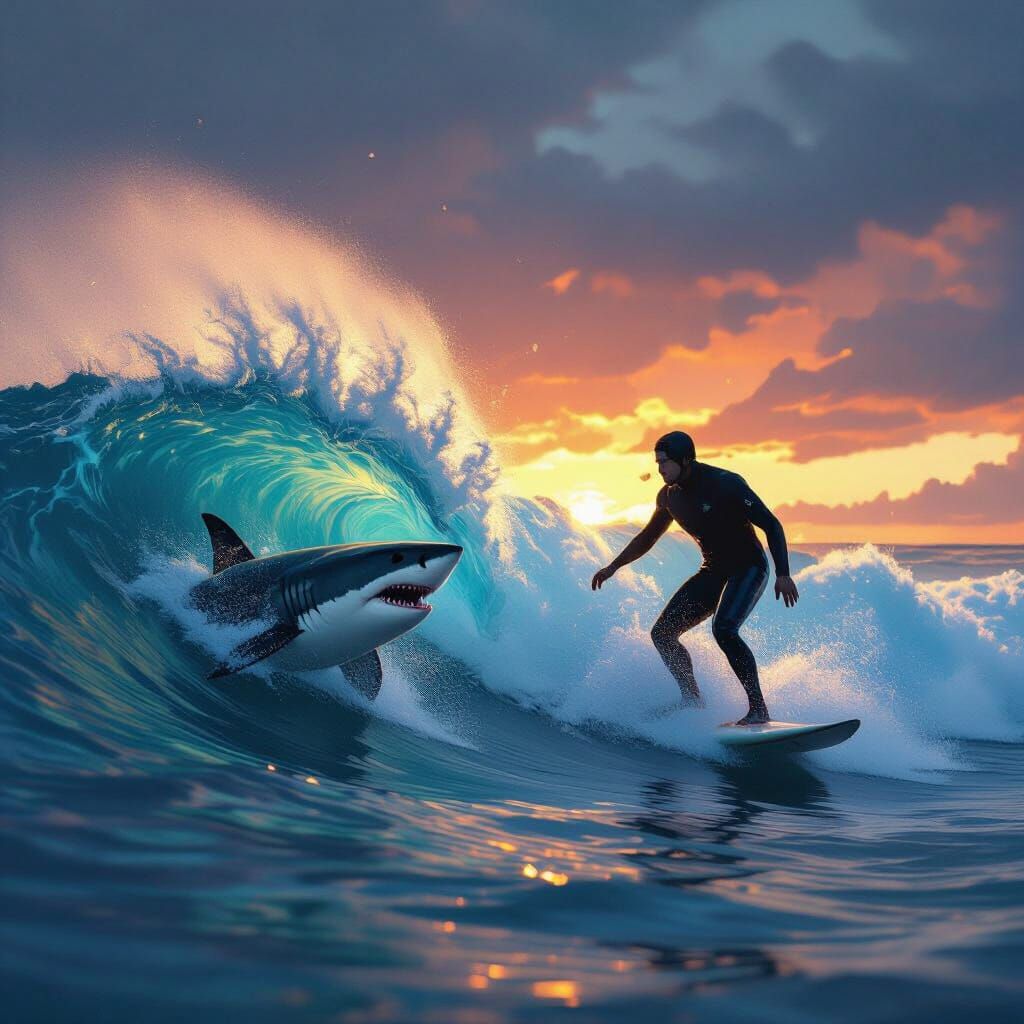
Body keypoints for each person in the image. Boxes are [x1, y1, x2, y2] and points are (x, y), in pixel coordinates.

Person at [591, 431, 798, 725]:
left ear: (685, 459)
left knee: (725, 630)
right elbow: (648, 537)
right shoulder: (669, 497)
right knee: (662, 634)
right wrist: (613, 567)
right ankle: (692, 700)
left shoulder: (727, 484)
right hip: (713, 570)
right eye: (657, 461)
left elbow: (772, 525)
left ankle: (758, 709)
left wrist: (784, 574)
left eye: (665, 462)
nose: (659, 468)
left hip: (748, 567)